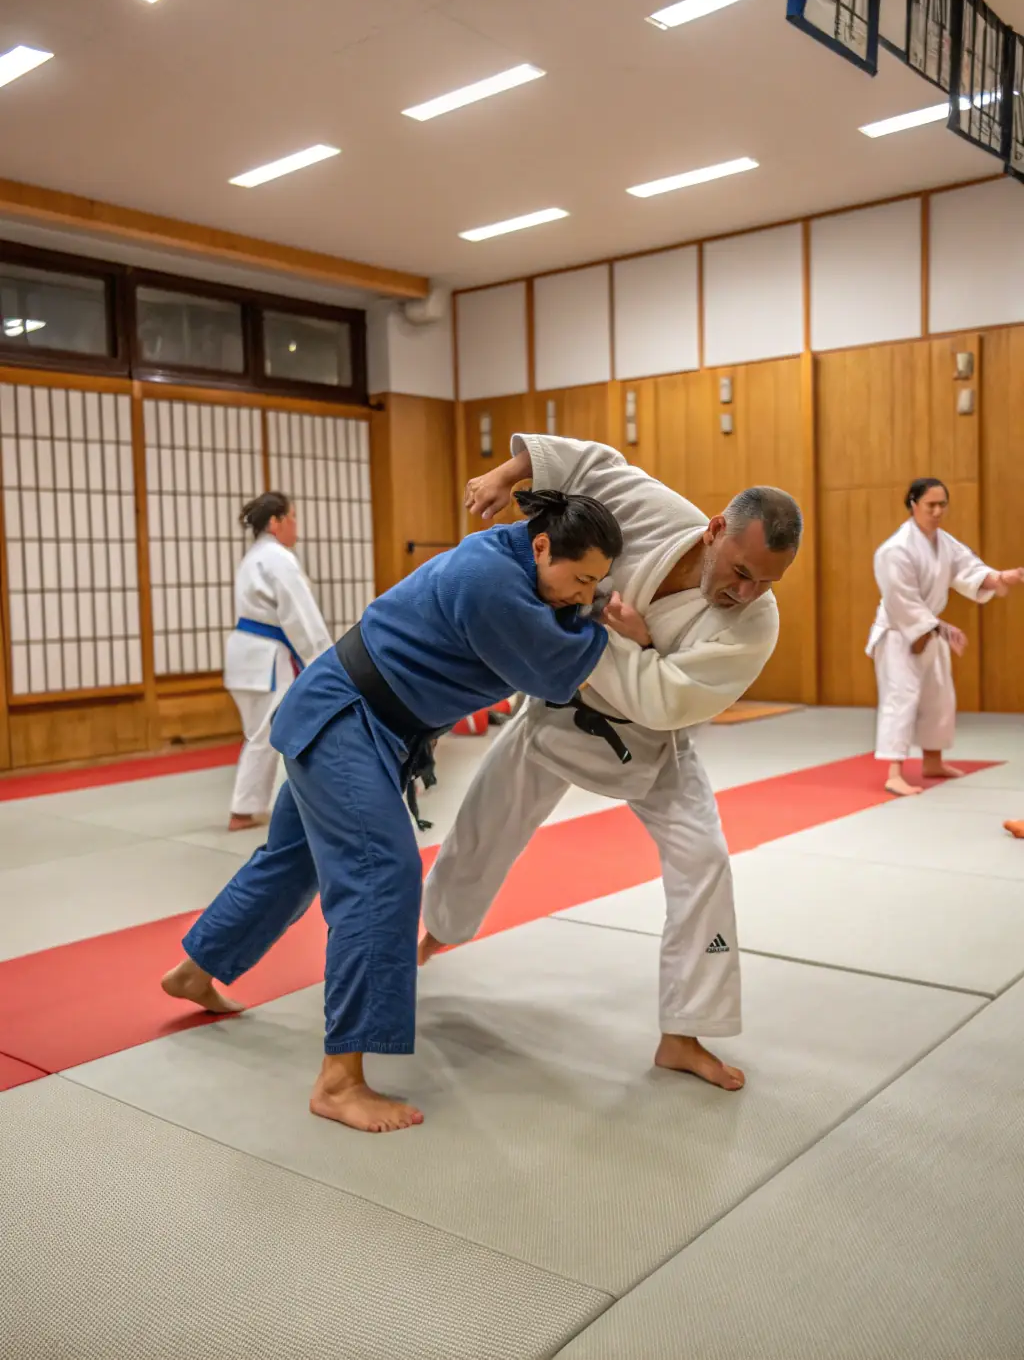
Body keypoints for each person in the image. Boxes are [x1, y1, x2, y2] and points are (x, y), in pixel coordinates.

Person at [161, 489, 628, 1134]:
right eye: (581, 579)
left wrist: (587, 604)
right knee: (381, 873)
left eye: (596, 584)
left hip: (354, 719)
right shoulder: (491, 578)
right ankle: (339, 1081)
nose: (584, 594)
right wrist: (612, 625)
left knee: (294, 862)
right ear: (542, 545)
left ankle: (195, 971)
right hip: (344, 721)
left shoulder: (516, 567)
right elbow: (555, 672)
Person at [419, 434, 803, 1094]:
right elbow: (593, 462)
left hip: (649, 743)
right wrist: (508, 472)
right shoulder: (660, 513)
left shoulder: (755, 623)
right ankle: (436, 932)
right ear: (715, 530)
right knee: (485, 820)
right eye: (742, 571)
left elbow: (665, 701)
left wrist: (616, 639)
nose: (747, 592)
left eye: (767, 582)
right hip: (559, 708)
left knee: (704, 858)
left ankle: (684, 1032)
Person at [867, 478, 1024, 797]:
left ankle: (933, 762)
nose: (937, 511)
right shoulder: (895, 549)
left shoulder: (944, 543)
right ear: (913, 505)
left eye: (942, 505)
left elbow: (968, 569)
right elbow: (901, 599)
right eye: (931, 505)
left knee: (939, 698)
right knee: (901, 699)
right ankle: (894, 772)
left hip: (930, 630)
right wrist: (940, 628)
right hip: (899, 633)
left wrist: (999, 577)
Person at [223, 492, 332, 832]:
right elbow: (299, 616)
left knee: (258, 731)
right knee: (265, 732)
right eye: (293, 517)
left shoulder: (253, 558)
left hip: (246, 653)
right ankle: (244, 810)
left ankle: (253, 805)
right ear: (276, 522)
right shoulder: (278, 558)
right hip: (267, 658)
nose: (296, 525)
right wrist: (325, 660)